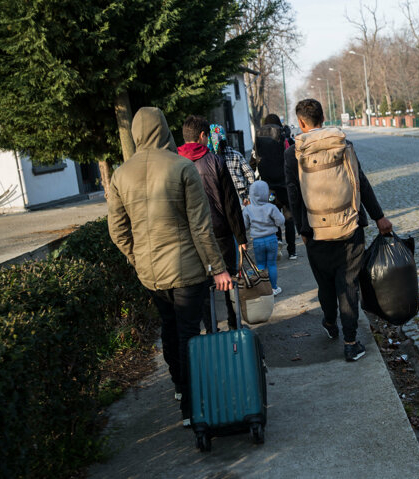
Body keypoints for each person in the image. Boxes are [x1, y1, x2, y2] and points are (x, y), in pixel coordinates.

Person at [107, 107, 232, 427]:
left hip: (151, 274)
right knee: (190, 333)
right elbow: (201, 227)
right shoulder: (182, 167)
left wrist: (138, 260)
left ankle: (179, 388)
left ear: (135, 135)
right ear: (164, 129)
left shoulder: (120, 174)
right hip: (187, 270)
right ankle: (192, 405)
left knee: (170, 329)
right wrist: (218, 268)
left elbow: (118, 231)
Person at [285, 99, 393, 362]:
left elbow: (293, 192)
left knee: (325, 284)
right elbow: (361, 183)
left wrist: (302, 229)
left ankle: (331, 323)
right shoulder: (344, 145)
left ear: (301, 123)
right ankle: (351, 342)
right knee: (348, 284)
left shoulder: (293, 153)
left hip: (314, 231)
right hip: (350, 227)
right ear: (323, 117)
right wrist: (379, 217)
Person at [177, 115, 248, 331]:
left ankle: (210, 330)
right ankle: (234, 326)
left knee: (204, 286)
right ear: (202, 136)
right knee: (229, 283)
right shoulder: (216, 161)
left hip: (191, 238)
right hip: (221, 233)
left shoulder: (175, 164)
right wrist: (241, 237)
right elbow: (230, 204)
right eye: (207, 137)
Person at [255, 113, 298, 260]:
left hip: (269, 188)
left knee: (273, 215)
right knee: (289, 218)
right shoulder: (285, 138)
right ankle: (292, 251)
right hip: (285, 185)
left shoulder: (260, 141)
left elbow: (254, 160)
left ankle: (278, 240)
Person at [243, 180, 286, 296]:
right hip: (271, 239)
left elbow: (245, 226)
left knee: (260, 265)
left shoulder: (248, 209)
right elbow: (281, 221)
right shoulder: (271, 207)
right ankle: (273, 288)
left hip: (257, 241)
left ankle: (262, 288)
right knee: (272, 264)